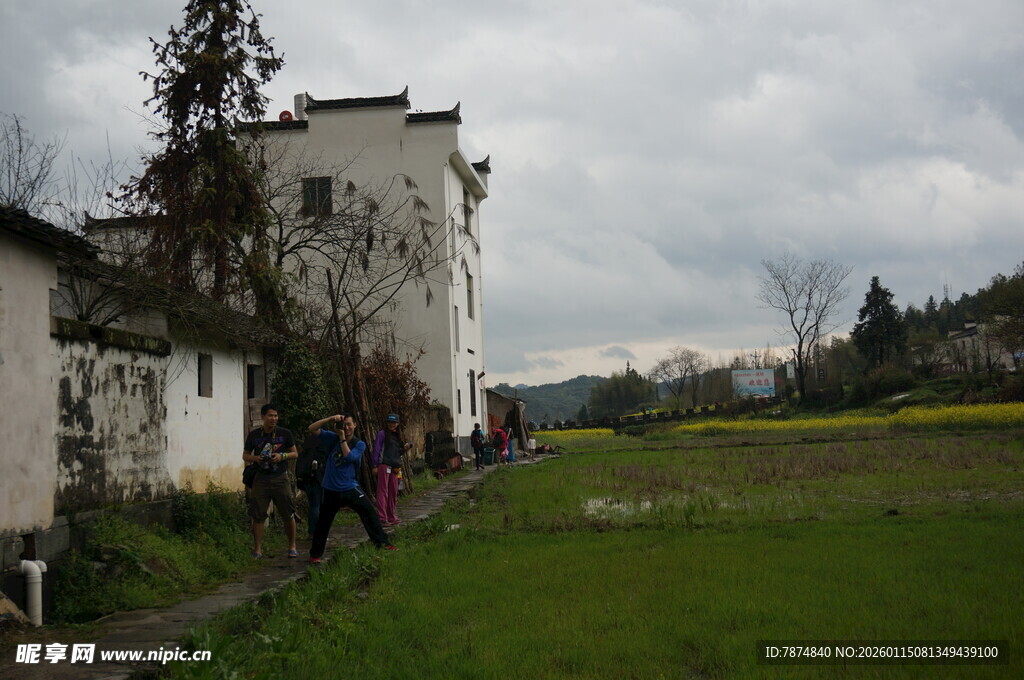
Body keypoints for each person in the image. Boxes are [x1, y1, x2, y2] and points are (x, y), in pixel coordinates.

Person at [307, 413, 395, 564]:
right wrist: (329, 419)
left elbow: (349, 457)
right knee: (324, 522)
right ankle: (315, 554)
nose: (346, 428)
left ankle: (382, 543)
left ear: (354, 426)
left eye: (349, 424)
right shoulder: (331, 438)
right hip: (330, 488)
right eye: (343, 425)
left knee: (369, 512)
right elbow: (312, 428)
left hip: (349, 487)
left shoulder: (359, 444)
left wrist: (341, 437)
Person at [242, 403, 299, 559]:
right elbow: (245, 455)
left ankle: (292, 546)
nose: (273, 419)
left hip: (280, 477)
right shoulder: (254, 435)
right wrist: (255, 458)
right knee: (258, 514)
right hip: (261, 478)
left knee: (288, 512)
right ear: (262, 417)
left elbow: (295, 453)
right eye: (270, 416)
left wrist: (282, 456)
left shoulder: (285, 433)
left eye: (276, 416)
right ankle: (258, 549)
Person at [372, 413, 410, 526]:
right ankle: (382, 517)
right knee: (382, 491)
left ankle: (391, 516)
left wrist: (405, 449)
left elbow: (399, 453)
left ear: (397, 424)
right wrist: (375, 465)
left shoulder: (398, 436)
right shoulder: (382, 434)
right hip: (384, 465)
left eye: (394, 422)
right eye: (389, 422)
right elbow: (377, 449)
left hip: (395, 467)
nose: (391, 424)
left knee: (393, 492)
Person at [295, 433, 327, 538]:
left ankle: (312, 532)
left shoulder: (306, 448)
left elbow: (299, 466)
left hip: (307, 480)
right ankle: (318, 532)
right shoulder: (322, 447)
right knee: (318, 506)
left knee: (313, 505)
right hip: (319, 479)